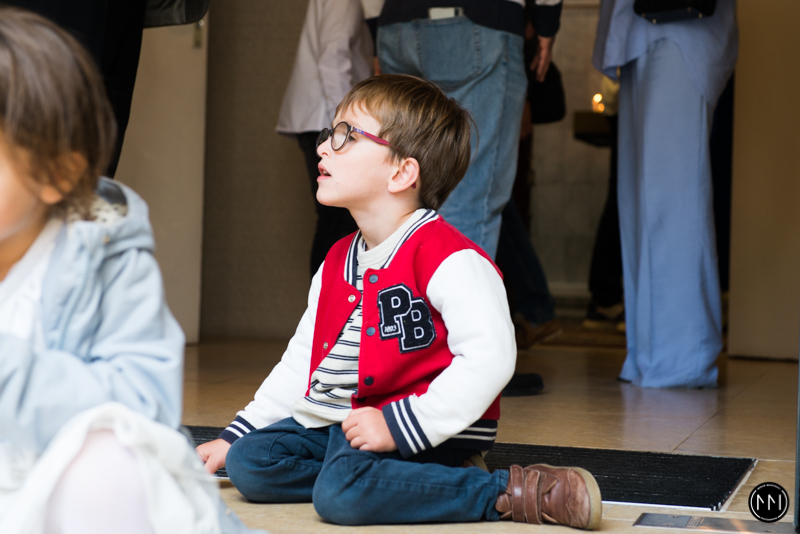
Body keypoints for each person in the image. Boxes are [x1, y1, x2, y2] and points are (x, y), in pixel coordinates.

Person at [197, 74, 602, 529]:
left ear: (401, 173)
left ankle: (506, 491)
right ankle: (392, 480)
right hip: (342, 426)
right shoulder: (336, 261)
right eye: (330, 133)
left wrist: (398, 424)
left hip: (425, 426)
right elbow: (301, 361)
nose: (323, 146)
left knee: (341, 494)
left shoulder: (451, 258)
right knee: (252, 462)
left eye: (346, 136)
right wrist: (236, 435)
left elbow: (491, 358)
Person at [0, 9, 259, 533]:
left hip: (61, 486)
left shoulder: (101, 252)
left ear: (59, 174)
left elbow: (142, 405)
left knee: (108, 464)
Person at [593, 0, 738, 387]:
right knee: (640, 204)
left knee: (672, 200)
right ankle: (650, 355)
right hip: (642, 29)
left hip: (679, 27)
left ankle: (682, 357)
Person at [374, 0, 563, 261]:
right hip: (476, 22)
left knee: (402, 193)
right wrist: (547, 19)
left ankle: (399, 287)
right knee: (470, 198)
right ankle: (456, 289)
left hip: (394, 26)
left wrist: (374, 25)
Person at [276, 0, 373, 276]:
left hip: (323, 117)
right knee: (339, 220)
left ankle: (327, 300)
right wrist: (344, 129)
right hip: (327, 118)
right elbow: (332, 58)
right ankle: (327, 300)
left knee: (336, 220)